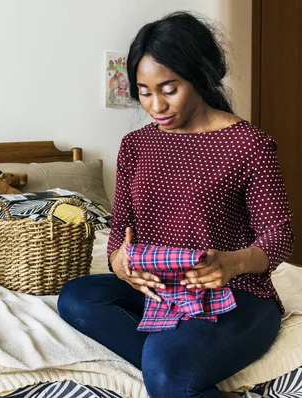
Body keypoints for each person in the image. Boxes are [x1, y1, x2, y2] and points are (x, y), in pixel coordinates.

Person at [58, 12, 294, 398]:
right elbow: (120, 233)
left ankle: (170, 367)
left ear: (198, 76)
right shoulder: (136, 145)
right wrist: (121, 264)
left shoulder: (248, 144)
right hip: (161, 289)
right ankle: (179, 369)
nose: (155, 106)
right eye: (144, 92)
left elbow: (280, 236)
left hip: (238, 294)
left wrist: (231, 262)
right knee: (76, 298)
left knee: (165, 368)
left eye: (169, 89)